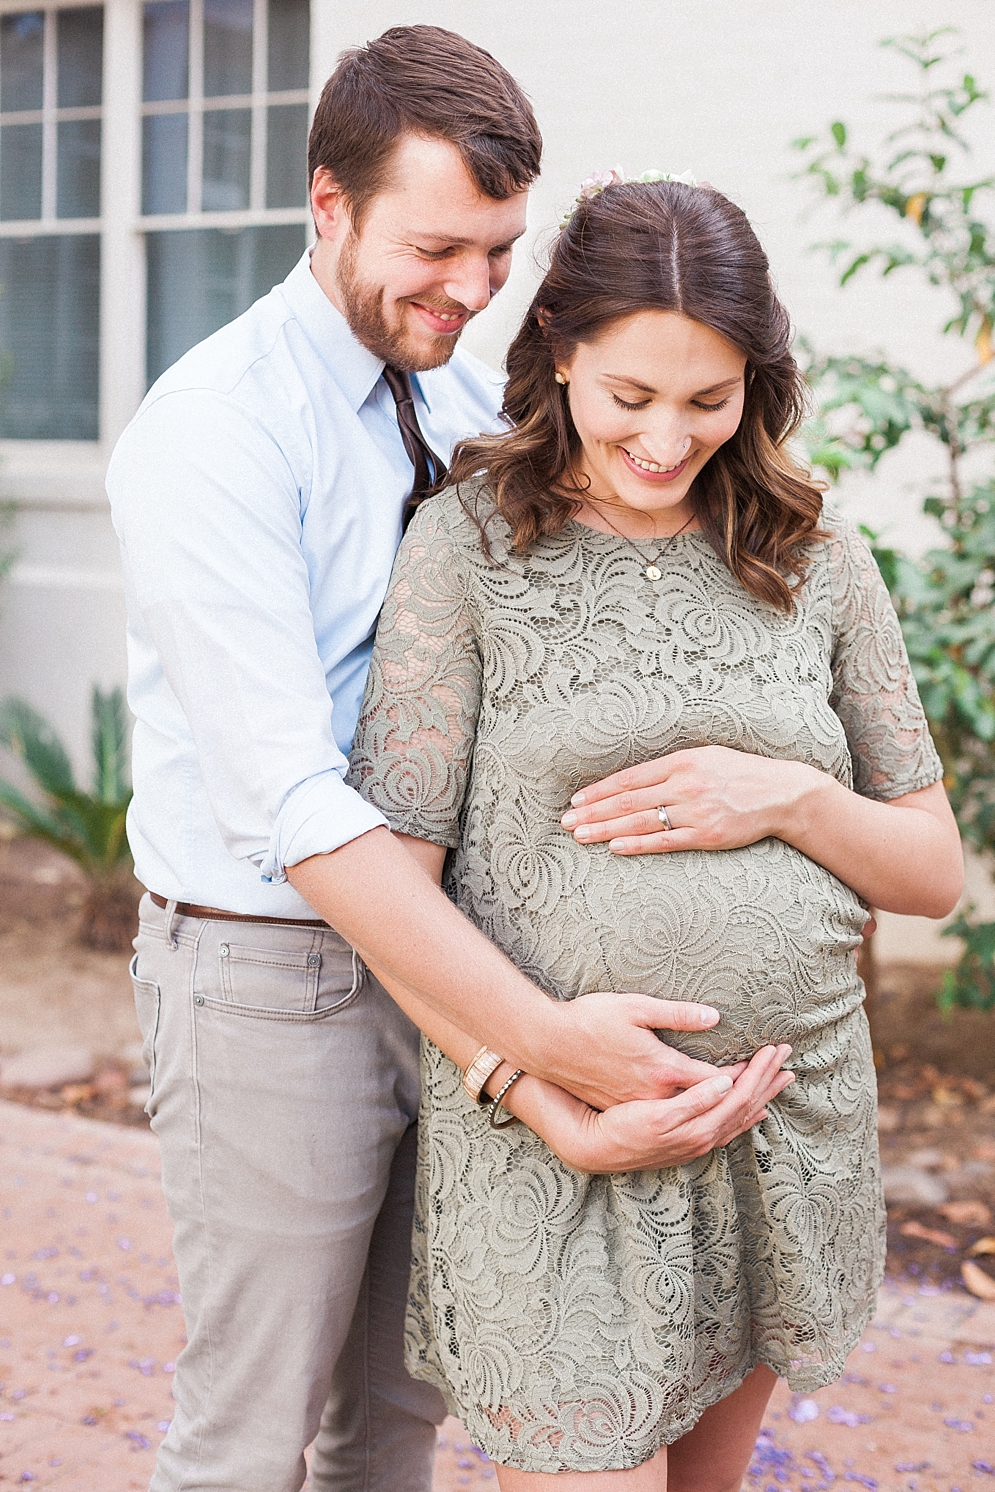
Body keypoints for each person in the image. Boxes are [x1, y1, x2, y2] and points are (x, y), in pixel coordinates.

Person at [108, 32, 789, 1492]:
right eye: (436, 247)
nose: (472, 289)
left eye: (498, 249)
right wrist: (535, 1051)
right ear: (327, 205)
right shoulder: (214, 434)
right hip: (271, 983)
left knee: (401, 1417)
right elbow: (297, 806)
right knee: (247, 1436)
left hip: (455, 960)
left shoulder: (471, 397)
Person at [347, 173, 965, 1490]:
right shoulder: (463, 549)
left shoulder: (813, 553)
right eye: (632, 396)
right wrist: (526, 1079)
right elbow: (392, 885)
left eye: (709, 399)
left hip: (772, 1136)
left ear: (760, 382)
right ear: (560, 350)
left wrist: (789, 794)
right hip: (552, 1142)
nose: (667, 437)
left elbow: (933, 873)